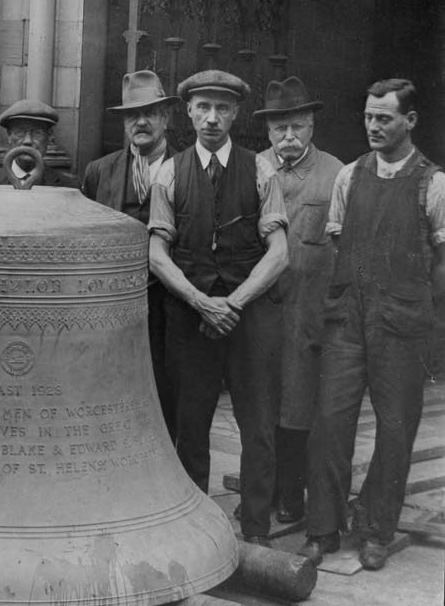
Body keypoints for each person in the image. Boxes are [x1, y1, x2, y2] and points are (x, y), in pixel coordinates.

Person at [298, 79, 445, 570]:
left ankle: (377, 529)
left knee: (396, 428)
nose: (373, 126)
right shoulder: (350, 177)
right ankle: (323, 528)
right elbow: (340, 245)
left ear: (410, 121)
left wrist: (419, 312)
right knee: (329, 422)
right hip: (349, 319)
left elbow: (442, 264)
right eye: (368, 117)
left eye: (384, 117)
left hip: (402, 324)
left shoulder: (434, 182)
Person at [148, 69, 288, 546]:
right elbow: (156, 253)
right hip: (191, 318)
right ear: (187, 112)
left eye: (222, 108)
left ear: (235, 113)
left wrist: (235, 301)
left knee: (259, 427)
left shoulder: (260, 169)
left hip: (250, 318)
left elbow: (280, 252)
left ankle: (255, 531)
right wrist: (199, 301)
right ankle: (196, 535)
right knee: (191, 427)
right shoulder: (169, 171)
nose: (212, 118)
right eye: (203, 107)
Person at [253, 77, 343, 525]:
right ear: (267, 131)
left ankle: (292, 494)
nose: (289, 137)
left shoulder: (336, 173)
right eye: (279, 128)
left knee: (299, 405)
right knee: (261, 402)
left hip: (309, 310)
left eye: (298, 127)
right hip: (260, 308)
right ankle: (260, 491)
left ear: (312, 127)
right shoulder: (252, 168)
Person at [81, 70, 180, 441]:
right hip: (112, 309)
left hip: (167, 309)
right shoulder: (98, 173)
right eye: (131, 114)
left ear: (166, 117)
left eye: (150, 112)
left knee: (164, 394)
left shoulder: (184, 171)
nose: (140, 121)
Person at [0, 99, 78, 188]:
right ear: (9, 136)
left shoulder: (68, 187)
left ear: (49, 136)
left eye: (37, 133)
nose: (28, 141)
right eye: (20, 132)